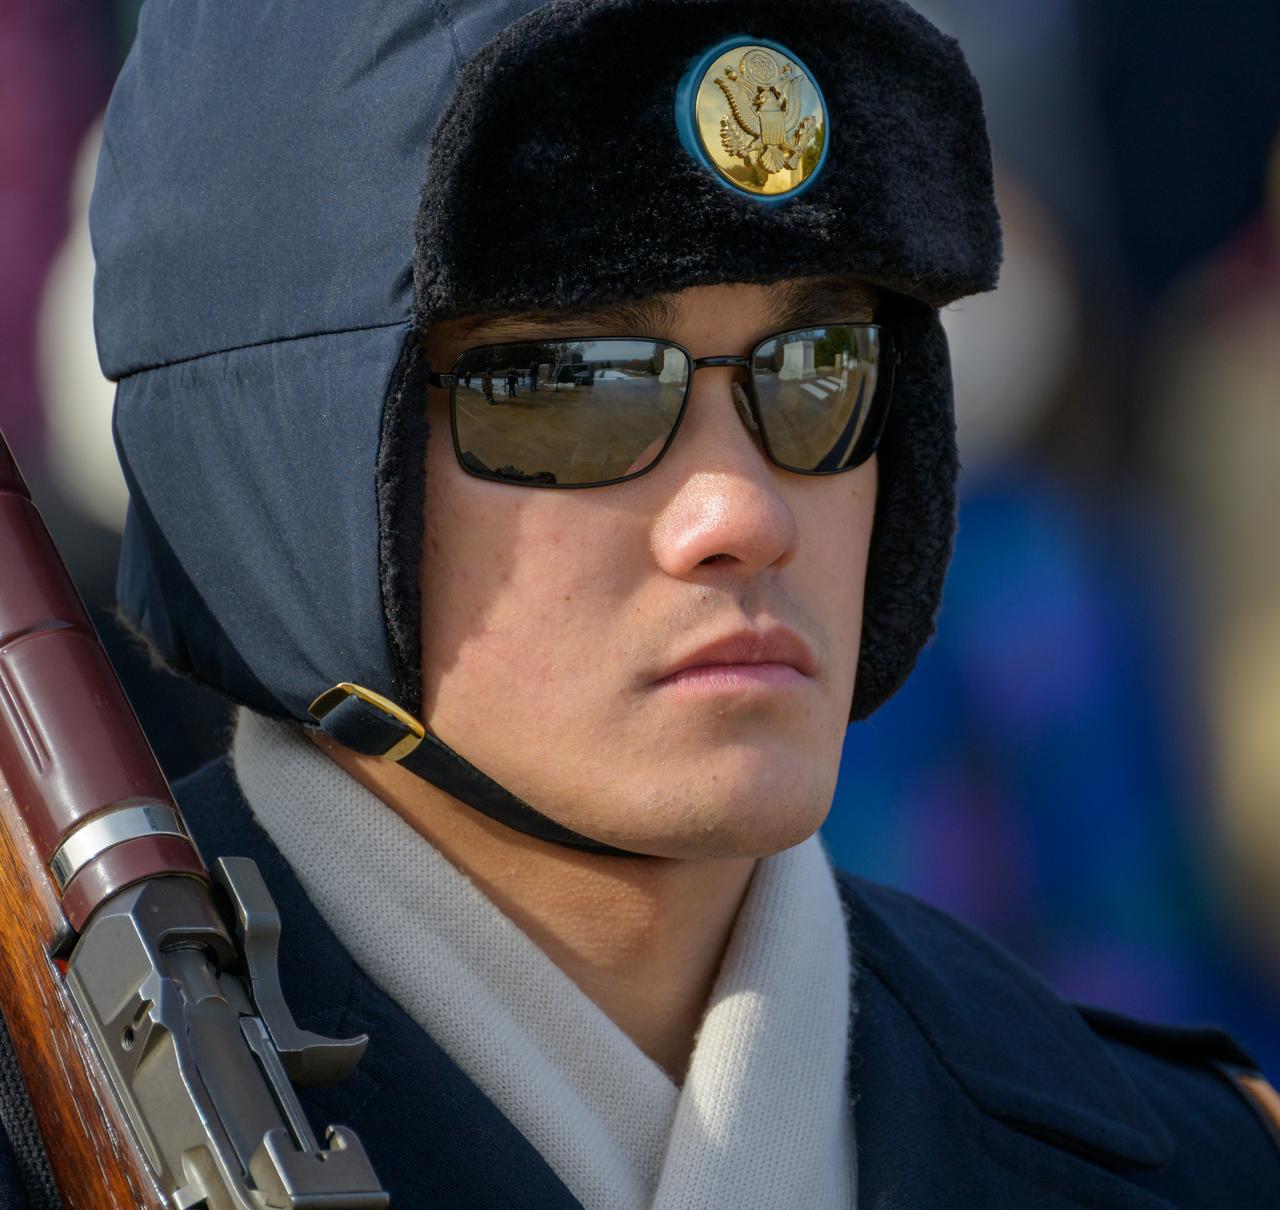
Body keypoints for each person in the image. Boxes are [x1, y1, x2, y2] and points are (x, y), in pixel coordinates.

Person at [2, 1, 1277, 1207]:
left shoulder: (1192, 1161)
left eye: (816, 366)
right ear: (288, 446)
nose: (746, 513)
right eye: (575, 384)